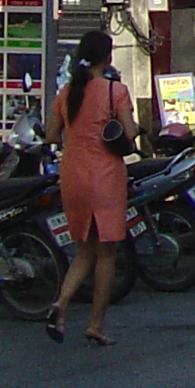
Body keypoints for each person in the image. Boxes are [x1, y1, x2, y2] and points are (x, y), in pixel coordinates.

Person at [46, 27, 133, 345]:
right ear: (108, 57)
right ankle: (96, 324)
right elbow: (131, 131)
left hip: (73, 175)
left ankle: (61, 304)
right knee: (106, 252)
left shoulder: (67, 92)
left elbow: (51, 136)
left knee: (84, 249)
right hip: (106, 176)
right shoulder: (115, 91)